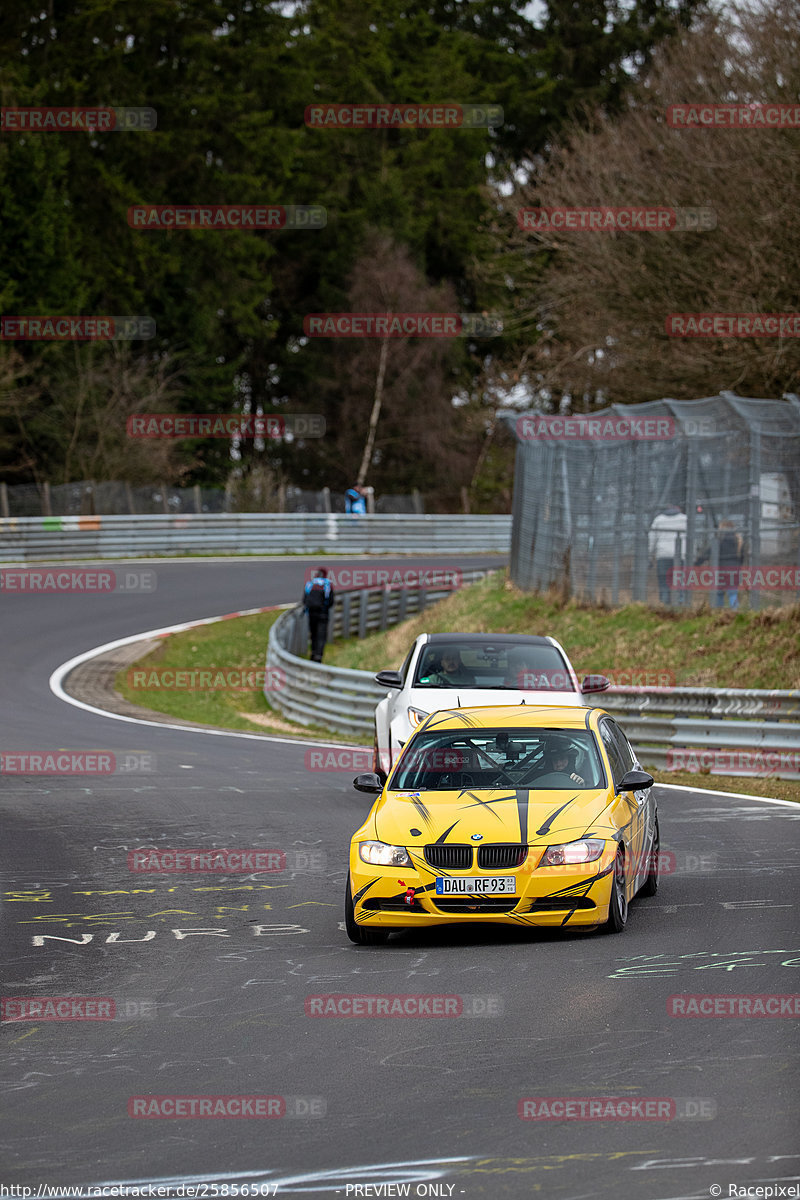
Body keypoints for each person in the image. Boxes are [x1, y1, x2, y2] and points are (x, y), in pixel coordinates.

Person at [648, 504, 688, 605]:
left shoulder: (659, 519)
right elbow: (691, 538)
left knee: (664, 582)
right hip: (680, 555)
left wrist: (649, 555)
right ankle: (680, 603)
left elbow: (652, 539)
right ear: (679, 508)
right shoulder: (685, 519)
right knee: (680, 581)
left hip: (663, 555)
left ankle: (665, 604)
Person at [302, 567, 335, 663]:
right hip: (323, 613)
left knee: (313, 634)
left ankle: (313, 653)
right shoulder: (327, 584)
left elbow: (304, 600)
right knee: (321, 635)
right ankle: (318, 656)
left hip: (311, 614)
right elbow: (331, 601)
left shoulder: (310, 583)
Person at [715, 520, 744, 609]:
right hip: (735, 571)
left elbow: (708, 553)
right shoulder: (739, 541)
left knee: (719, 593)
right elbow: (742, 558)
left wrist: (696, 563)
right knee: (733, 593)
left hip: (721, 571)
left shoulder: (719, 541)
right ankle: (735, 613)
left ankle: (718, 612)